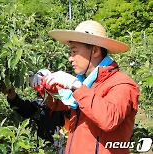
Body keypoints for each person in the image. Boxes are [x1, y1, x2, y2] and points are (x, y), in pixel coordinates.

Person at [35, 20, 139, 154]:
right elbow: (60, 104)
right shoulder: (87, 83)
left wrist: (76, 87)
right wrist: (44, 84)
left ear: (95, 50)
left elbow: (109, 119)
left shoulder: (122, 84)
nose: (70, 58)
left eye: (74, 52)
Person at [2, 69, 70, 153]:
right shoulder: (43, 105)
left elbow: (67, 108)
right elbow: (25, 108)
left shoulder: (67, 105)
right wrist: (12, 96)